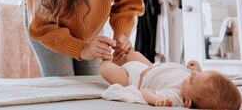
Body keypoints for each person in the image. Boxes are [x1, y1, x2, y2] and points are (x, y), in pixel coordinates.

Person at [100, 49, 241, 109]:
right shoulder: (194, 84)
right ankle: (121, 58)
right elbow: (198, 80)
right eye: (196, 75)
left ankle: (106, 59)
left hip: (136, 77)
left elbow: (144, 91)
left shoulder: (174, 97)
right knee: (132, 53)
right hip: (152, 67)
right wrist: (197, 70)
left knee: (105, 70)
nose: (192, 75)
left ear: (187, 101)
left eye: (193, 78)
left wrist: (155, 100)